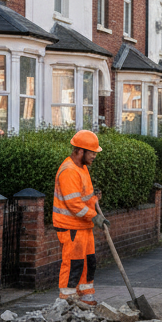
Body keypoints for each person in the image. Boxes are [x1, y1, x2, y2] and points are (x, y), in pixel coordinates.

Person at [54, 130, 106, 305]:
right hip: (70, 227)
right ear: (80, 151)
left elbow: (84, 197)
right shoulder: (68, 171)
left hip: (83, 226)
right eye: (91, 152)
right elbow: (74, 204)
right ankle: (67, 298)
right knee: (73, 262)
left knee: (88, 262)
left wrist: (94, 199)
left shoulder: (82, 169)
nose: (94, 156)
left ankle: (86, 296)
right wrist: (94, 217)